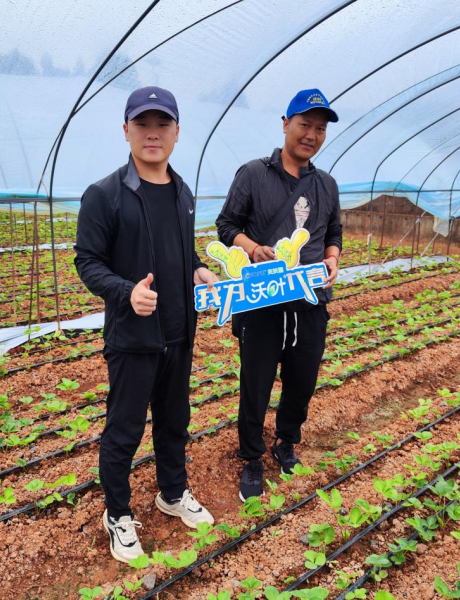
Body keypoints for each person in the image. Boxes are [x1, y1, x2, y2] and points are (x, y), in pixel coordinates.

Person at [74, 86, 217, 563]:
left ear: (177, 133)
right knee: (124, 429)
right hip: (133, 339)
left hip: (179, 332)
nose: (152, 134)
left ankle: (172, 493)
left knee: (175, 421)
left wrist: (198, 269)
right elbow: (88, 262)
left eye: (162, 125)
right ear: (126, 131)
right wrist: (125, 291)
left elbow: (183, 251)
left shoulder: (182, 192)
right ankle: (117, 513)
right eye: (142, 124)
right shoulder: (104, 195)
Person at [215, 88, 343, 501]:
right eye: (305, 124)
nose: (311, 134)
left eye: (319, 129)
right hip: (262, 300)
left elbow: (334, 231)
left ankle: (286, 442)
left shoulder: (326, 185)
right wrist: (251, 248)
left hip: (309, 300)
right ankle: (252, 457)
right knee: (256, 382)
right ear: (286, 124)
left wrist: (333, 258)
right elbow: (226, 224)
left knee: (302, 379)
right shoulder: (253, 173)